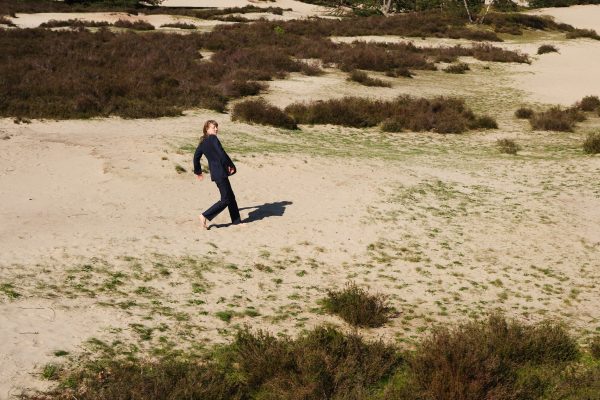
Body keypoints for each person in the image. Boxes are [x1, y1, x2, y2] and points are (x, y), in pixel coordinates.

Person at [193, 120, 241, 229]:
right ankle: (204, 215)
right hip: (220, 172)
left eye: (216, 127)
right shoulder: (213, 138)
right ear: (207, 129)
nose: (216, 129)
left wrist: (198, 171)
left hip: (216, 173)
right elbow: (221, 152)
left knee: (231, 197)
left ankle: (236, 221)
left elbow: (196, 157)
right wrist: (230, 165)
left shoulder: (202, 142)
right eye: (213, 127)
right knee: (225, 199)